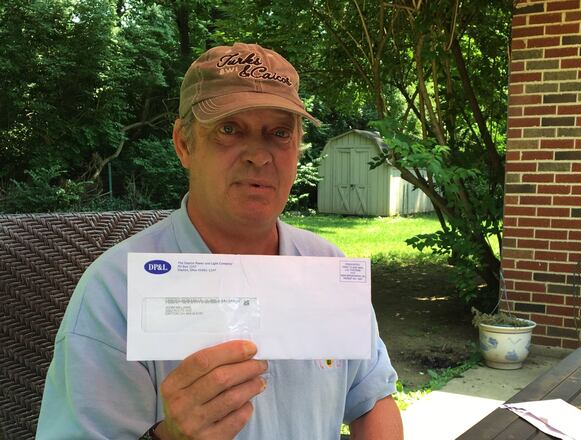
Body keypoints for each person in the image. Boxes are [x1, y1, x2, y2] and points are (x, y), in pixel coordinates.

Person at [37, 42, 403, 439]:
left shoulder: (327, 268)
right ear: (184, 143)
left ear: (296, 146)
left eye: (279, 133)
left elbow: (372, 398)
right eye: (229, 129)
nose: (258, 156)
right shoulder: (114, 292)